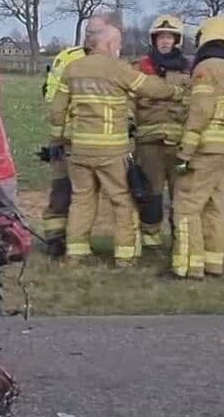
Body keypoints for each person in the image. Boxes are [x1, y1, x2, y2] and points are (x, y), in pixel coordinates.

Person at [47, 19, 179, 266]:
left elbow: (57, 111)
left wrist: (59, 140)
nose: (119, 47)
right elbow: (149, 87)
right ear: (108, 44)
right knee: (122, 199)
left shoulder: (72, 70)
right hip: (111, 150)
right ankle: (125, 255)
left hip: (79, 150)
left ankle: (76, 252)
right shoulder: (117, 68)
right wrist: (177, 92)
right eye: (118, 43)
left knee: (82, 199)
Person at [171, 17, 224, 278]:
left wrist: (185, 153)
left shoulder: (206, 68)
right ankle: (214, 262)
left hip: (205, 146)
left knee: (186, 206)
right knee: (215, 205)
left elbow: (200, 111)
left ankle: (187, 265)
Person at [131, 15, 193, 250]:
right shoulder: (141, 68)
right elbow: (130, 99)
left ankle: (181, 240)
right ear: (154, 40)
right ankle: (150, 240)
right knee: (151, 193)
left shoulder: (190, 70)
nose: (165, 42)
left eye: (170, 37)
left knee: (182, 195)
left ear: (177, 41)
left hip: (180, 145)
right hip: (150, 143)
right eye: (161, 37)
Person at [39, 43, 88, 257]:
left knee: (74, 190)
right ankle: (56, 239)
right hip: (69, 136)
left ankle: (68, 240)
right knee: (64, 187)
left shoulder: (106, 58)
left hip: (80, 135)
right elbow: (53, 94)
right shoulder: (69, 58)